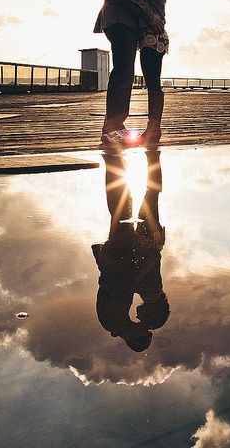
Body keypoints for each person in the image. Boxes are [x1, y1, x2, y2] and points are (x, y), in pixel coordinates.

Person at [94, 0, 164, 145]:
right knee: (122, 73)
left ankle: (115, 125)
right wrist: (149, 15)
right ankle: (111, 127)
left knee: (124, 73)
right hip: (120, 19)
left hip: (123, 19)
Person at [92, 151, 169, 352]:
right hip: (118, 257)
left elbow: (121, 286)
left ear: (136, 337)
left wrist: (144, 266)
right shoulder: (115, 324)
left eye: (144, 331)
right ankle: (115, 163)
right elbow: (123, 286)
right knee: (124, 208)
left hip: (119, 257)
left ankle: (115, 163)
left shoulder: (114, 321)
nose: (142, 326)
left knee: (124, 207)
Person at [138, 0, 176, 145]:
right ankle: (153, 127)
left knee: (153, 84)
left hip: (153, 37)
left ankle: (153, 128)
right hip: (154, 37)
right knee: (153, 83)